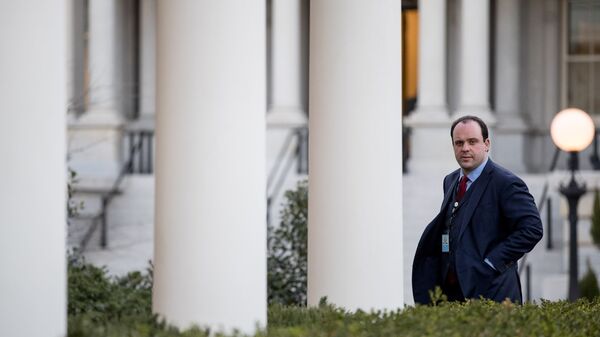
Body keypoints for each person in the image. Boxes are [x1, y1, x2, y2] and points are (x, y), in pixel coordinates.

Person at [412, 115, 543, 304]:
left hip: (493, 293)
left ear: (486, 144)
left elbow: (532, 229)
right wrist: (445, 253)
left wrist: (492, 262)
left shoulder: (506, 182)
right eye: (459, 143)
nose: (465, 148)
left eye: (472, 141)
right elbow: (448, 227)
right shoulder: (450, 181)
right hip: (452, 295)